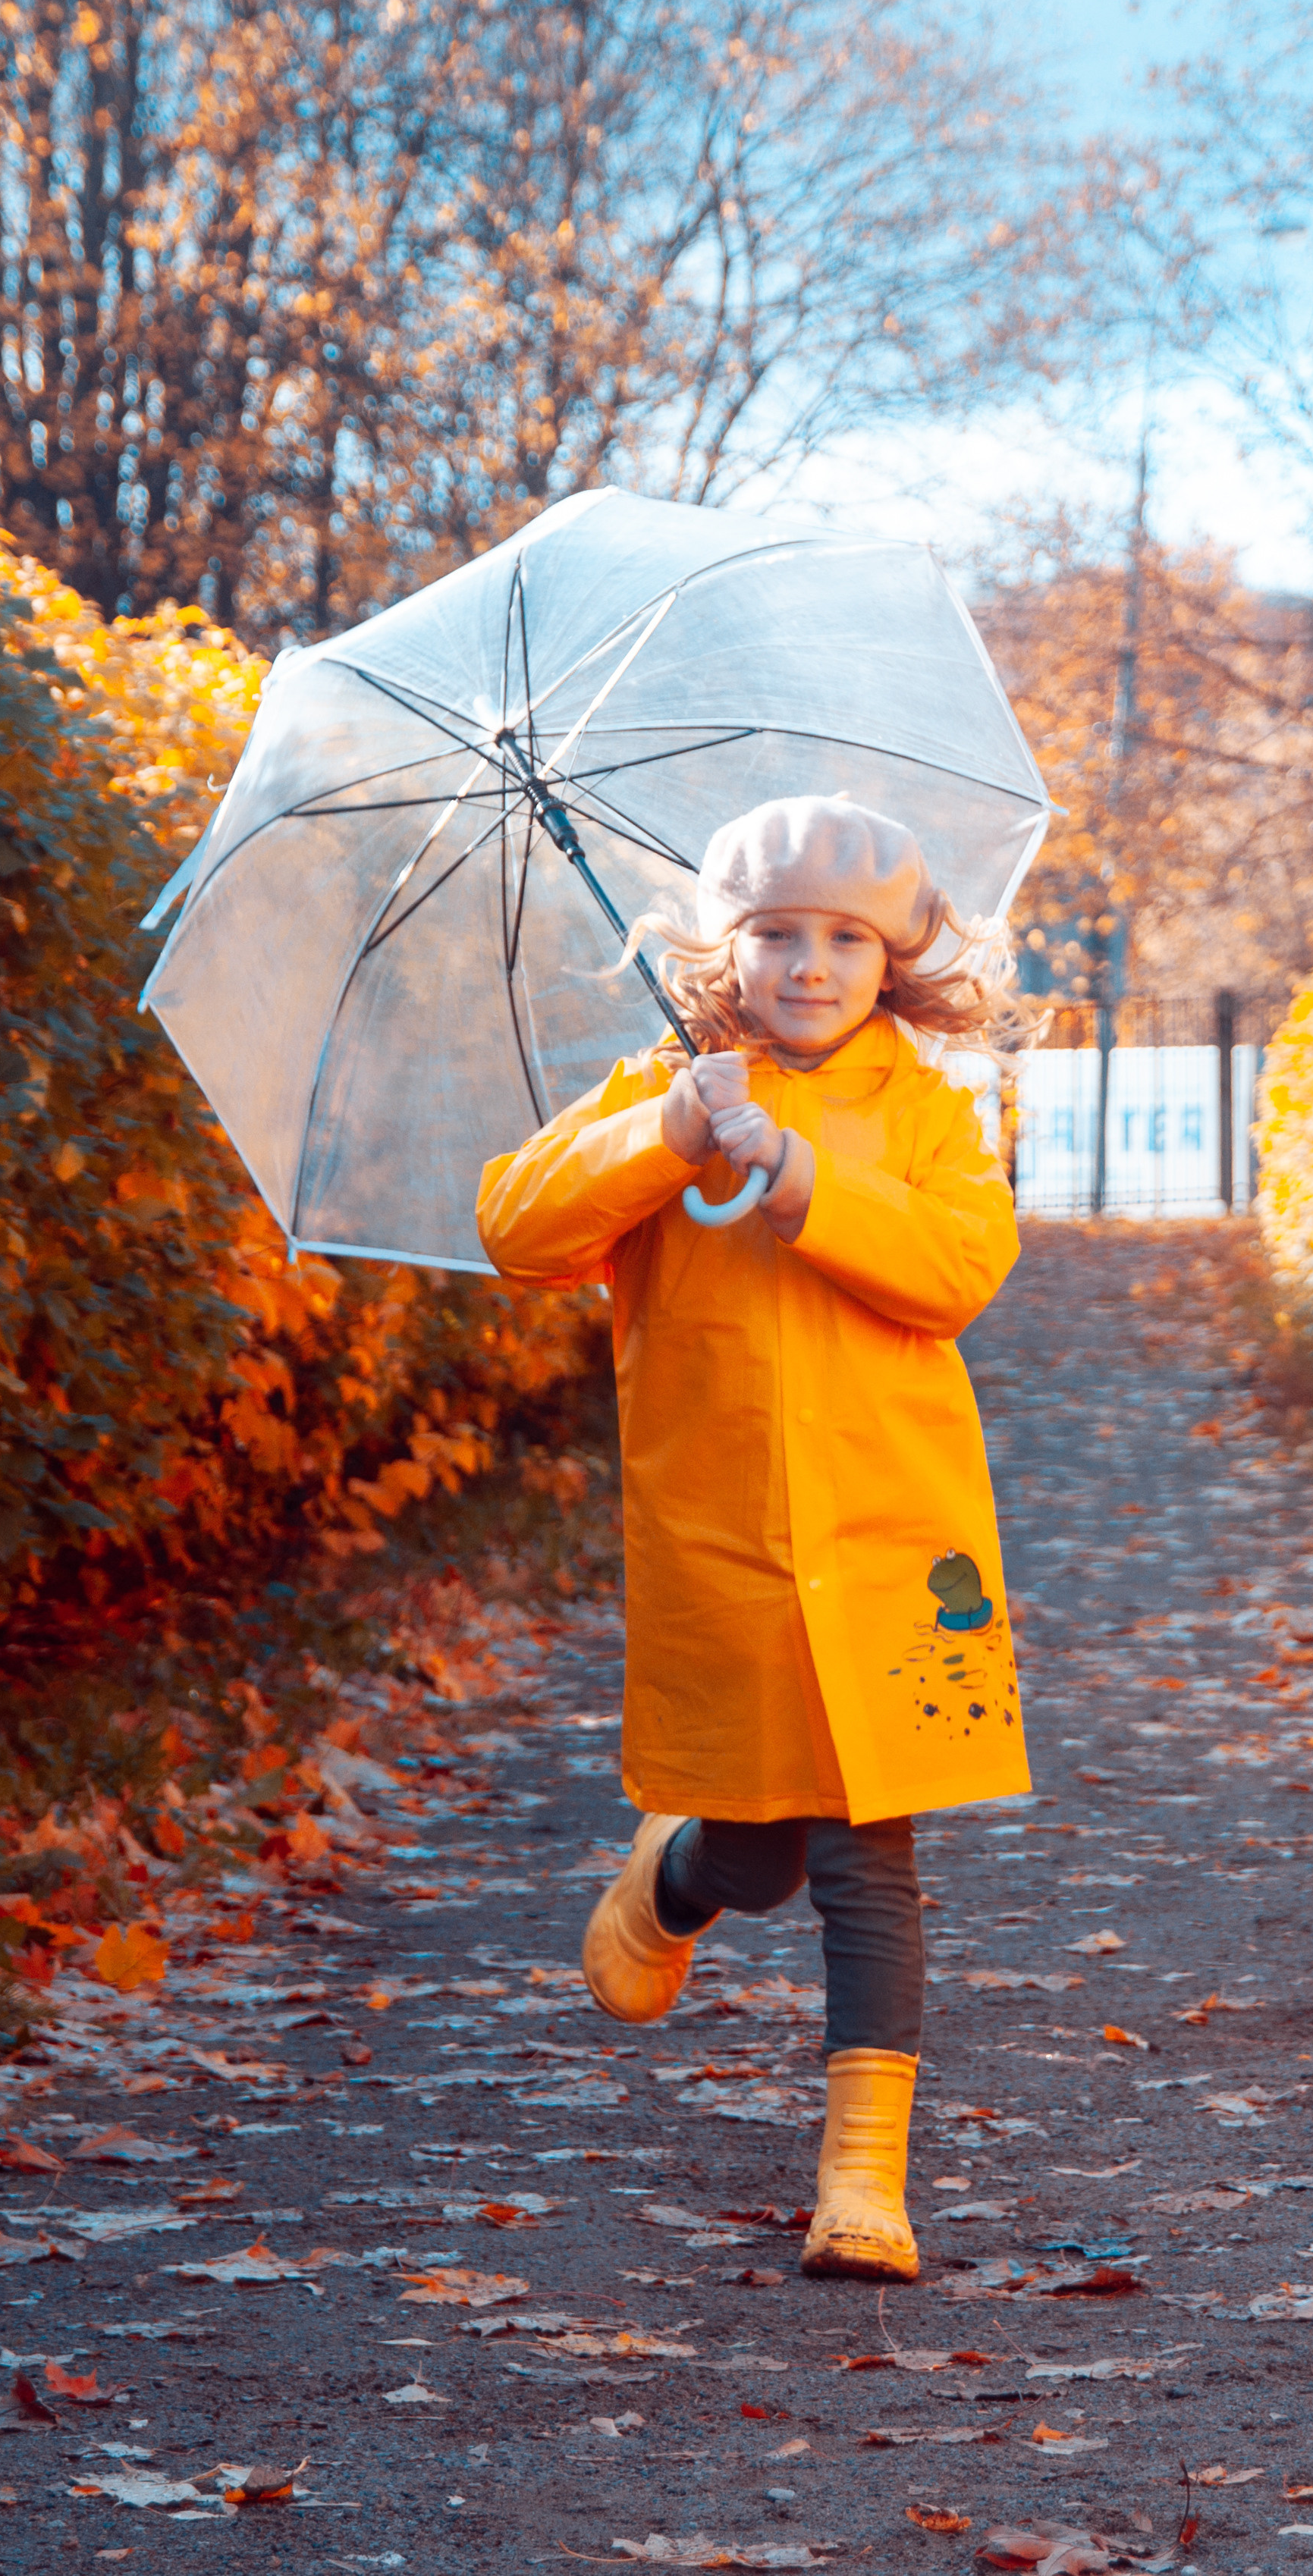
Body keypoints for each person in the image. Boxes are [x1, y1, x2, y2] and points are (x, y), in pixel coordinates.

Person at [475, 795, 1028, 2282]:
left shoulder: (918, 1105)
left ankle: (863, 2177)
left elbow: (960, 1265)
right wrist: (667, 1131)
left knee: (869, 1846)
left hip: (895, 1528)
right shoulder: (666, 1081)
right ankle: (674, 1878)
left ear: (893, 957)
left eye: (847, 936)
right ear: (723, 944)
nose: (810, 961)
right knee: (768, 1843)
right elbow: (516, 1225)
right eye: (778, 930)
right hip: (721, 1528)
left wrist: (798, 1176)